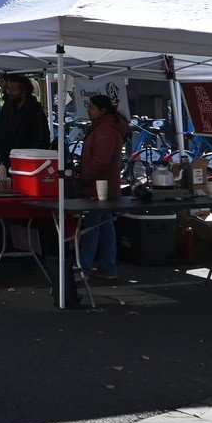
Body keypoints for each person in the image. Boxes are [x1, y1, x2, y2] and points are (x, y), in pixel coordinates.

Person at [77, 94, 129, 282]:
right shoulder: (108, 126)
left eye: (92, 107)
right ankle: (108, 267)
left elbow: (101, 161)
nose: (89, 110)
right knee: (104, 226)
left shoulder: (105, 129)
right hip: (106, 185)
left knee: (92, 227)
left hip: (98, 186)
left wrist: (83, 178)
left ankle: (84, 267)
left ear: (102, 110)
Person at [0, 74, 51, 168]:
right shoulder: (8, 106)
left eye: (14, 90)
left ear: (24, 91)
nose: (10, 93)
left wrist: (31, 156)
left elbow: (42, 137)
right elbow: (0, 128)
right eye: (9, 89)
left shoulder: (35, 109)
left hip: (28, 160)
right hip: (8, 159)